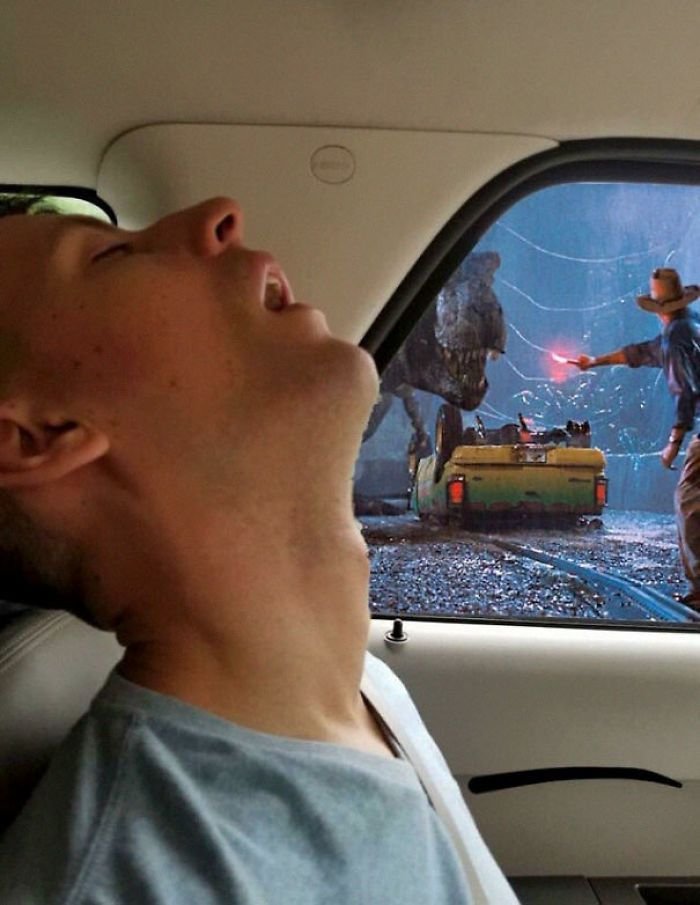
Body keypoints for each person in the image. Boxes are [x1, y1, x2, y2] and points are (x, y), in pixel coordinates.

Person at [0, 196, 518, 904]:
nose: (219, 214)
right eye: (110, 254)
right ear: (37, 436)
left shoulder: (362, 692)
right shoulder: (132, 883)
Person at [573, 267, 700, 609]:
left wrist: (674, 442)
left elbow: (685, 390)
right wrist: (595, 361)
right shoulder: (689, 325)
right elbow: (639, 353)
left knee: (689, 498)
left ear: (659, 309)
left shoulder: (675, 339)